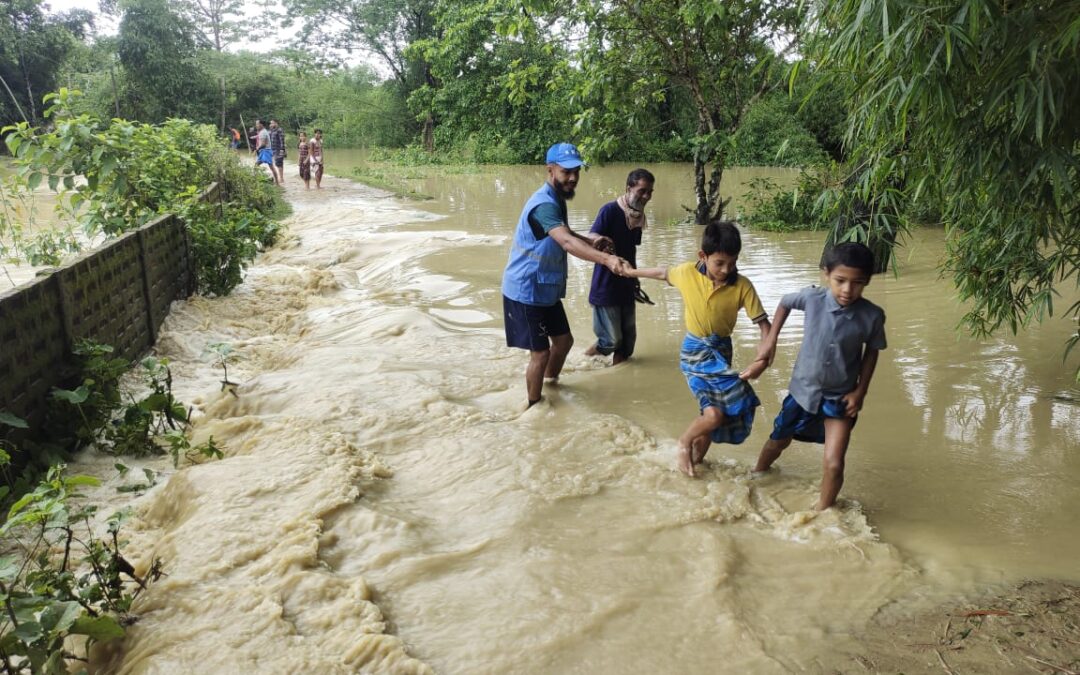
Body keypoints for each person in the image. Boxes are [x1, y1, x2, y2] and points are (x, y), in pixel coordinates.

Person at [627, 221, 772, 477]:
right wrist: (629, 272)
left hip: (721, 353)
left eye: (732, 262)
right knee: (714, 415)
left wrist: (762, 359)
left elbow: (764, 326)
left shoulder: (742, 286)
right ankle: (684, 443)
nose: (726, 270)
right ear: (703, 256)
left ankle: (692, 469)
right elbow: (662, 272)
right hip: (694, 352)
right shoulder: (687, 273)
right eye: (719, 263)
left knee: (713, 417)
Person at [751, 242, 886, 511]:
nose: (848, 290)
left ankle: (823, 513)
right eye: (840, 281)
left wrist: (860, 391)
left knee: (834, 463)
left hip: (840, 398)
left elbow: (872, 351)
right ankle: (757, 475)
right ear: (826, 274)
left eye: (857, 283)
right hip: (803, 391)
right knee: (778, 441)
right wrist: (770, 340)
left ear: (868, 281)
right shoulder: (812, 299)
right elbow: (784, 303)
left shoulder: (872, 316)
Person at [502, 142, 631, 408]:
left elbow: (566, 233)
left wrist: (590, 241)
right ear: (550, 170)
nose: (573, 178)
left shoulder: (556, 198)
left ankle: (551, 384)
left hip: (544, 287)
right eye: (566, 172)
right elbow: (567, 243)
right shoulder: (543, 205)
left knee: (563, 341)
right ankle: (534, 407)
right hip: (526, 290)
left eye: (577, 171)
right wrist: (607, 259)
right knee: (540, 353)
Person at [584, 168, 655, 365]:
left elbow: (630, 251)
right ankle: (580, 364)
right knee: (610, 340)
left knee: (627, 345)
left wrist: (635, 279)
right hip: (605, 286)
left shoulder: (637, 216)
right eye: (642, 191)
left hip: (627, 285)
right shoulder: (610, 210)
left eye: (650, 192)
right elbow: (591, 237)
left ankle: (621, 383)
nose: (646, 196)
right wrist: (599, 239)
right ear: (628, 188)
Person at [269, 119, 286, 185]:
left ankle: (281, 178)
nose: (271, 124)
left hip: (279, 149)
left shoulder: (279, 130)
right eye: (270, 123)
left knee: (279, 163)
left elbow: (282, 140)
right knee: (277, 163)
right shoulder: (272, 131)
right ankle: (280, 177)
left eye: (272, 123)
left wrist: (282, 150)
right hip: (273, 149)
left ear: (276, 123)